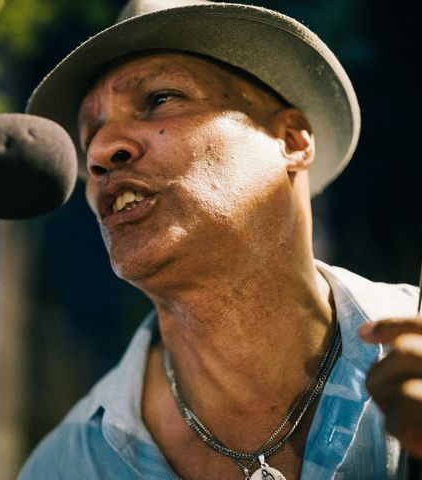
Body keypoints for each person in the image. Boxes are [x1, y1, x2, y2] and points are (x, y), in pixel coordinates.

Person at [21, 0, 422, 478]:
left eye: (161, 98)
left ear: (291, 141)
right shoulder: (65, 466)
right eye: (91, 134)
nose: (100, 152)